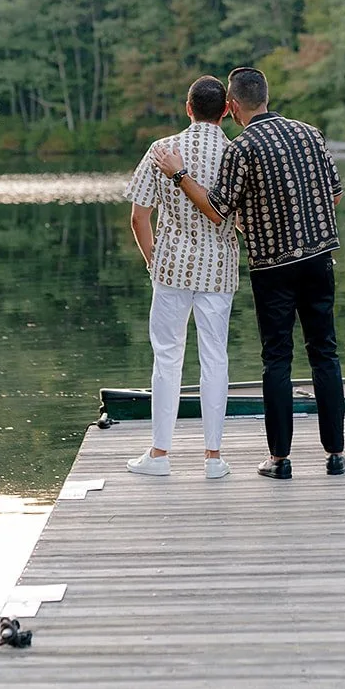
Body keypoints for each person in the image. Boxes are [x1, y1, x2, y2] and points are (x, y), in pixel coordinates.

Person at [152, 66, 345, 480]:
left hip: (273, 266)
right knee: (324, 352)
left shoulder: (241, 149)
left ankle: (280, 460)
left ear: (234, 106)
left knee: (277, 359)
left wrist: (179, 174)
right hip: (318, 258)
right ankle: (335, 456)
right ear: (267, 96)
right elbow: (333, 193)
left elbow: (217, 209)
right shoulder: (311, 133)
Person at [123, 74, 238, 480]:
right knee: (215, 358)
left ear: (188, 108)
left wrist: (152, 256)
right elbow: (238, 219)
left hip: (171, 267)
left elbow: (139, 216)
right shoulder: (235, 154)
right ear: (226, 111)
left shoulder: (163, 149)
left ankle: (159, 454)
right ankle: (213, 458)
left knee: (167, 356)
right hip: (219, 270)